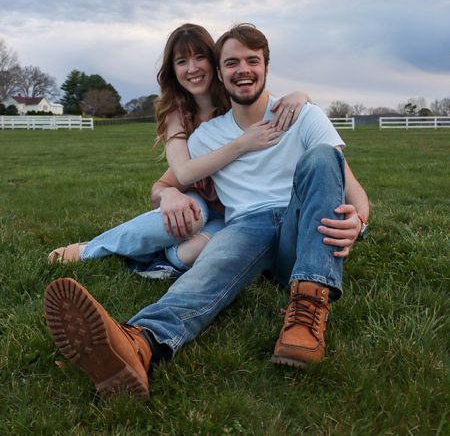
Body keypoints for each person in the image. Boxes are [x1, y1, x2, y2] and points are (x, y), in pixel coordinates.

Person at [44, 23, 370, 398]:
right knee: (210, 268)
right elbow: (171, 179)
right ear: (220, 71)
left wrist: (359, 221)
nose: (243, 69)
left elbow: (348, 183)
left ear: (266, 66)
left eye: (252, 60)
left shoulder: (303, 115)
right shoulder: (206, 136)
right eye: (232, 62)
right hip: (247, 225)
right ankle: (140, 344)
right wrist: (168, 193)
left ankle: (307, 310)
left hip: (300, 228)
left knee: (323, 156)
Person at [47, 23, 309, 277]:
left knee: (189, 254)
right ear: (173, 69)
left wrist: (301, 95)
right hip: (198, 199)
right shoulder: (178, 114)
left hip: (238, 209)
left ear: (216, 64)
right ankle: (91, 249)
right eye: (182, 61)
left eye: (200, 57)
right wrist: (170, 193)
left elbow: (272, 100)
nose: (192, 68)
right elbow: (179, 175)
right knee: (189, 218)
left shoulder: (237, 97)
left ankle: (158, 254)